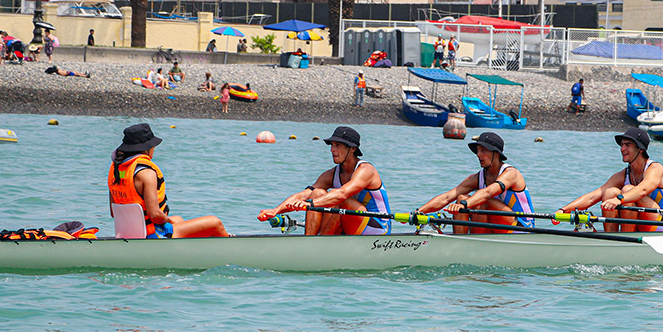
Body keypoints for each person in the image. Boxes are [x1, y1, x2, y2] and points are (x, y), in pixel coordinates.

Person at [258, 126, 390, 236]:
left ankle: (322, 243)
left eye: (338, 145)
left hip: (377, 228)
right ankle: (309, 242)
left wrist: (309, 204)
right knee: (317, 193)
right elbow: (303, 195)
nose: (332, 150)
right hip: (350, 224)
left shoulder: (366, 170)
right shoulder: (331, 174)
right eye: (332, 145)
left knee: (337, 198)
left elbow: (342, 194)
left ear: (352, 149)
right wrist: (276, 210)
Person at [108, 123, 228, 238]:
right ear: (146, 148)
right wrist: (167, 220)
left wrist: (168, 220)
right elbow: (155, 215)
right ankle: (229, 249)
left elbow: (114, 213)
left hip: (128, 233)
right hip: (152, 235)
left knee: (178, 220)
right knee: (215, 223)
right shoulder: (146, 173)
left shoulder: (116, 172)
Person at [556, 127, 663, 233]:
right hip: (644, 223)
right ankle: (611, 237)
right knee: (609, 192)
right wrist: (564, 210)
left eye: (627, 145)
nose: (622, 149)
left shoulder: (656, 169)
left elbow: (642, 190)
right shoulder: (624, 174)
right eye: (622, 145)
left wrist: (618, 199)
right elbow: (592, 197)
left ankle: (625, 238)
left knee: (627, 189)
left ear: (640, 149)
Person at [417, 132, 534, 234]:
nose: (478, 155)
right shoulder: (478, 177)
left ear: (496, 153)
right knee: (461, 197)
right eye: (478, 150)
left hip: (522, 227)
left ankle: (473, 242)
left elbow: (488, 193)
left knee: (483, 201)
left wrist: (464, 205)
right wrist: (418, 212)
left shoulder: (511, 173)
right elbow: (446, 197)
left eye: (483, 150)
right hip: (496, 227)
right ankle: (461, 241)